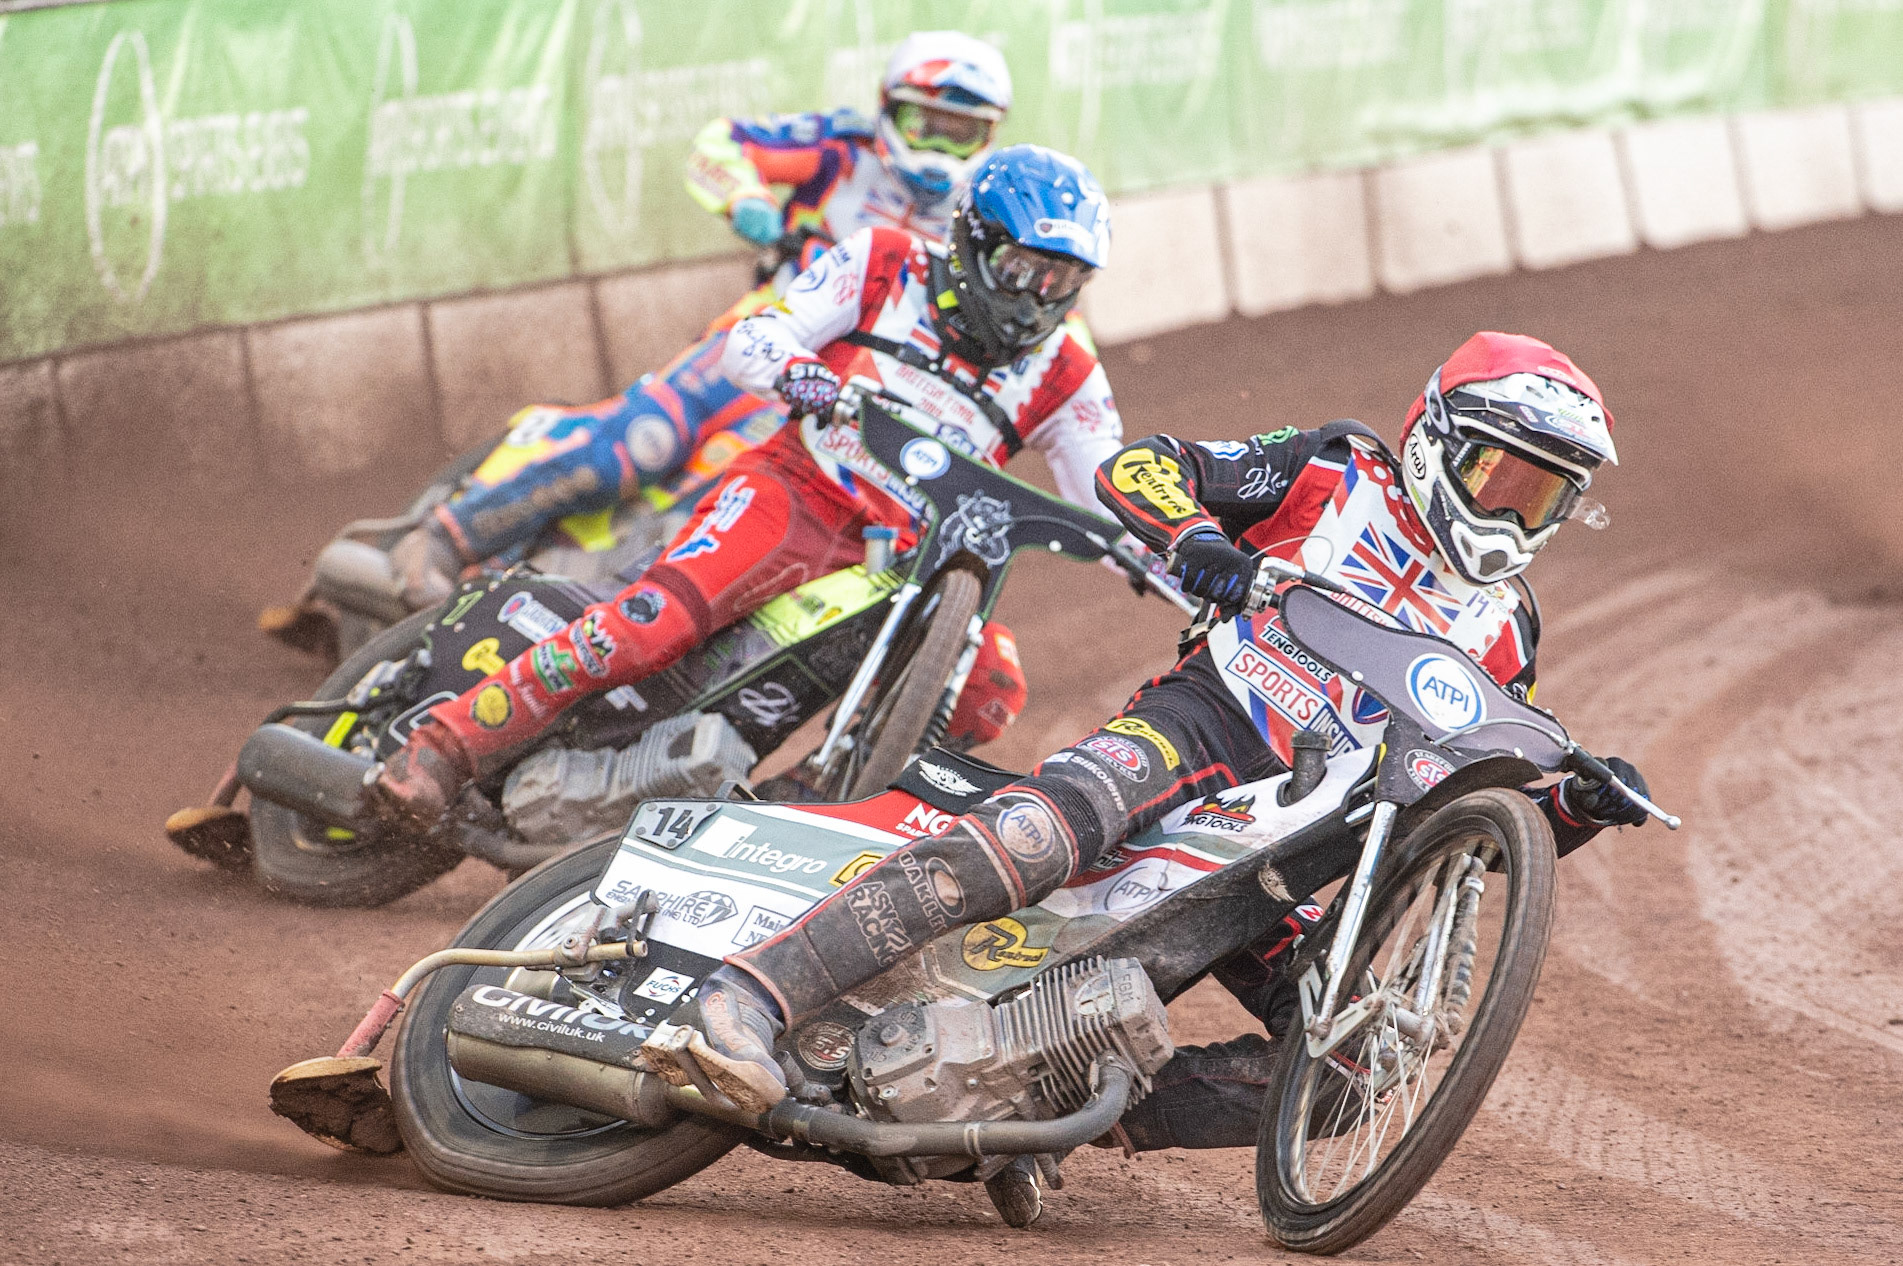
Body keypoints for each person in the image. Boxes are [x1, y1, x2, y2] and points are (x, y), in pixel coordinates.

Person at [682, 331, 1655, 1127]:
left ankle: (1044, 1115)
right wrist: (1198, 545)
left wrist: (1570, 804)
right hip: (1207, 723)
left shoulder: (1508, 627)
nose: (1513, 510)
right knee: (1034, 835)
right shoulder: (1336, 469)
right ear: (1440, 436)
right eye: (1502, 475)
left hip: (1303, 838)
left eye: (1545, 493)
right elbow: (1145, 467)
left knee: (1355, 1068)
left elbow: (1475, 821)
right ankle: (749, 994)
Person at [372, 144, 1124, 831]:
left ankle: (797, 804)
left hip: (911, 561)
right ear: (974, 241)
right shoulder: (885, 261)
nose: (1035, 300)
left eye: (1062, 281)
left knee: (989, 682)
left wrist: (1193, 559)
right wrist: (800, 371)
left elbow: (1109, 494)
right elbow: (755, 338)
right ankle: (443, 746)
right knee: (648, 626)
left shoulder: (1067, 368)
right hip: (799, 491)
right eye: (1024, 270)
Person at [389, 31, 1014, 608]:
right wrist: (743, 196)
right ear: (890, 108)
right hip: (763, 330)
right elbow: (722, 144)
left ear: (987, 137)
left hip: (848, 385)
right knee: (643, 442)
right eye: (924, 123)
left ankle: (564, 603)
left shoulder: (985, 215)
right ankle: (447, 539)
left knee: (719, 501)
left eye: (959, 133)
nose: (936, 146)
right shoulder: (842, 149)